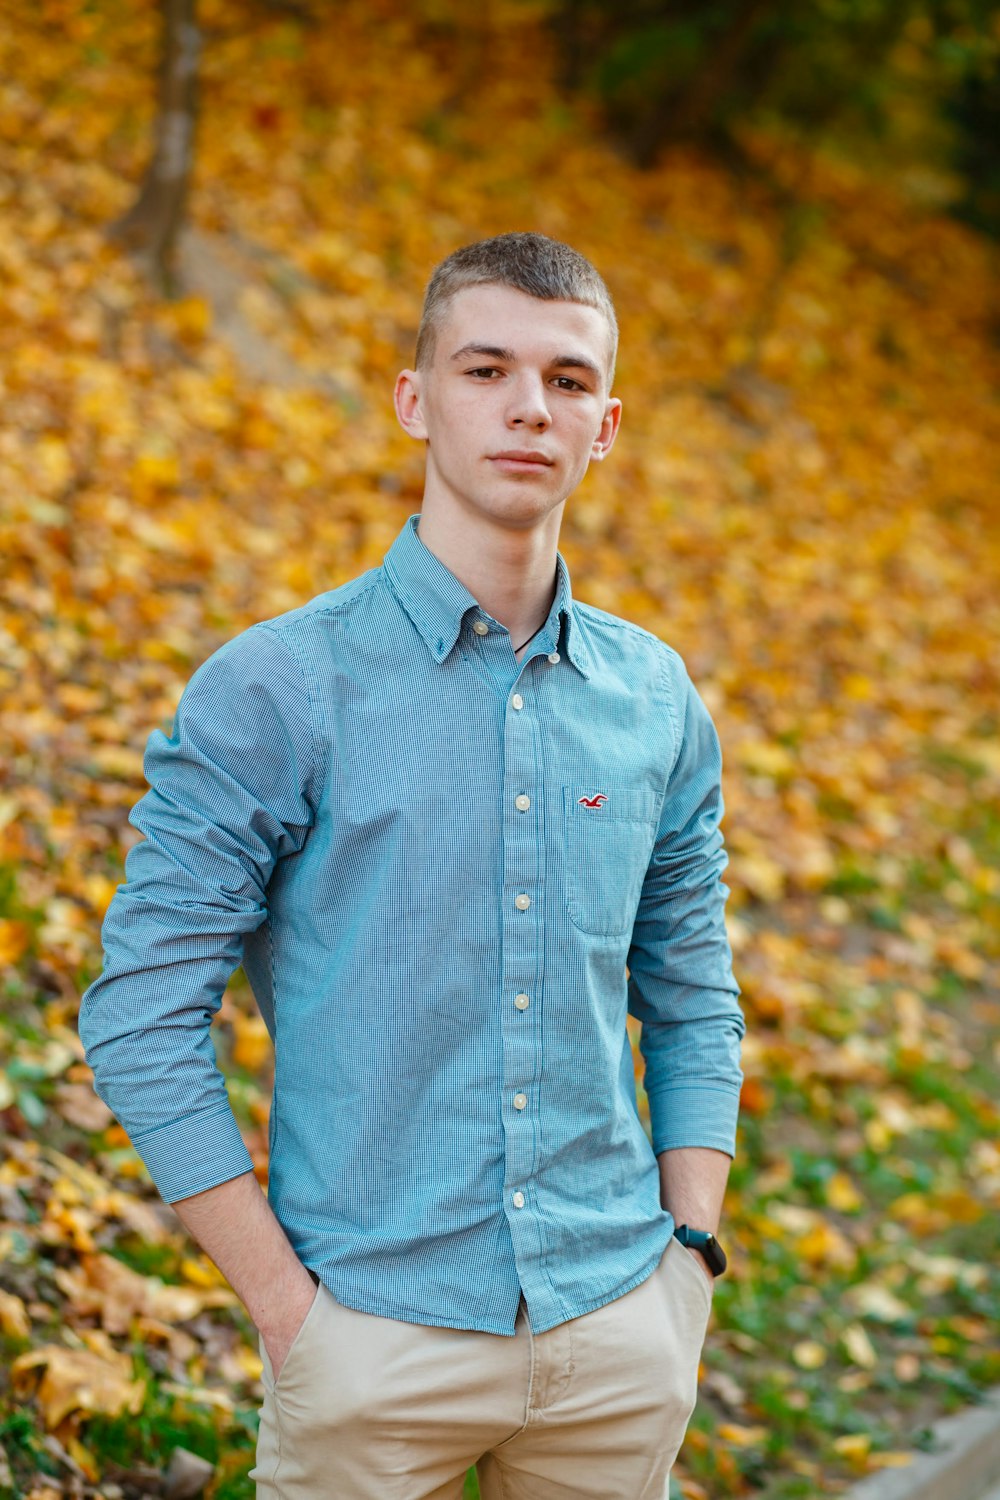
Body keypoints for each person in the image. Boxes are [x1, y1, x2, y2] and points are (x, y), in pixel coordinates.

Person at [79, 231, 745, 1499]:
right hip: (371, 1343)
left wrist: (689, 1256)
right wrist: (290, 1315)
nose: (524, 408)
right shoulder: (280, 687)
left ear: (605, 425)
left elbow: (694, 984)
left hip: (616, 1337)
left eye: (563, 380)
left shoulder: (654, 696)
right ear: (414, 399)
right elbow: (138, 1016)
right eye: (484, 368)